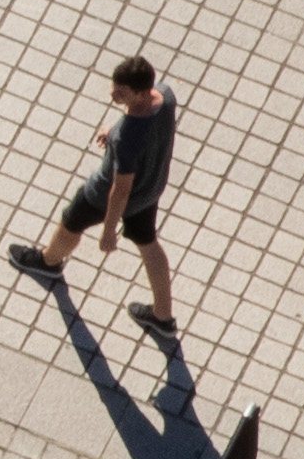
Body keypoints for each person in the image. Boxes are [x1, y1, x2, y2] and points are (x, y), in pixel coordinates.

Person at [18, 57, 182, 337]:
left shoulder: (128, 137)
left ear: (141, 92)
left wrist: (108, 231)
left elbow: (120, 191)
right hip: (151, 188)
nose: (113, 94)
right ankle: (163, 317)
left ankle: (48, 262)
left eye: (122, 92)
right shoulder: (165, 95)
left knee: (72, 220)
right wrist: (114, 131)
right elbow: (141, 125)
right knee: (149, 244)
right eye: (114, 87)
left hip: (108, 194)